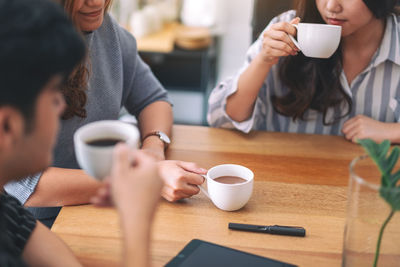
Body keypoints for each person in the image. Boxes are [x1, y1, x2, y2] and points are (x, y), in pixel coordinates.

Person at [5, 0, 207, 225]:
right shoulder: (16, 49)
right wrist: (135, 179)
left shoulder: (105, 28)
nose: (98, 2)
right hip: (36, 222)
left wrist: (153, 146)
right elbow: (23, 184)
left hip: (99, 205)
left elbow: (153, 98)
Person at [0, 0, 162, 266]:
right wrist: (136, 221)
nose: (62, 105)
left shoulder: (8, 216)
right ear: (8, 126)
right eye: (52, 97)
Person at [208, 0, 400, 144]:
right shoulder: (287, 28)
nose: (332, 6)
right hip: (286, 176)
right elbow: (222, 120)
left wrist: (392, 132)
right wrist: (263, 60)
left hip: (369, 182)